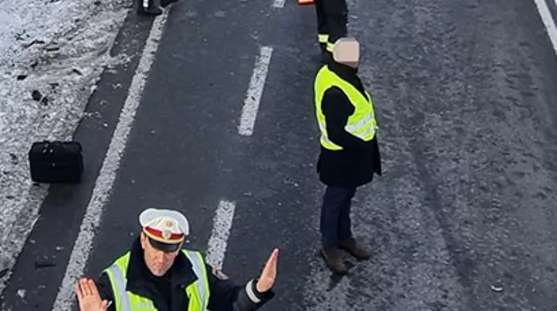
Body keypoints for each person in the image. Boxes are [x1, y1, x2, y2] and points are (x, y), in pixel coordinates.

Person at [75, 208, 278, 311]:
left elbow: (231, 304)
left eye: (169, 250)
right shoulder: (112, 284)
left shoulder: (198, 268)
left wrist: (259, 289)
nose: (161, 258)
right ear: (143, 239)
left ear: (179, 246)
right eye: (156, 247)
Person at [314, 37, 381, 275]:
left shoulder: (331, 73)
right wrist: (362, 144)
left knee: (345, 198)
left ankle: (344, 237)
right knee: (335, 201)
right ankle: (330, 246)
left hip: (349, 156)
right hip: (343, 158)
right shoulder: (335, 92)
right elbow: (336, 133)